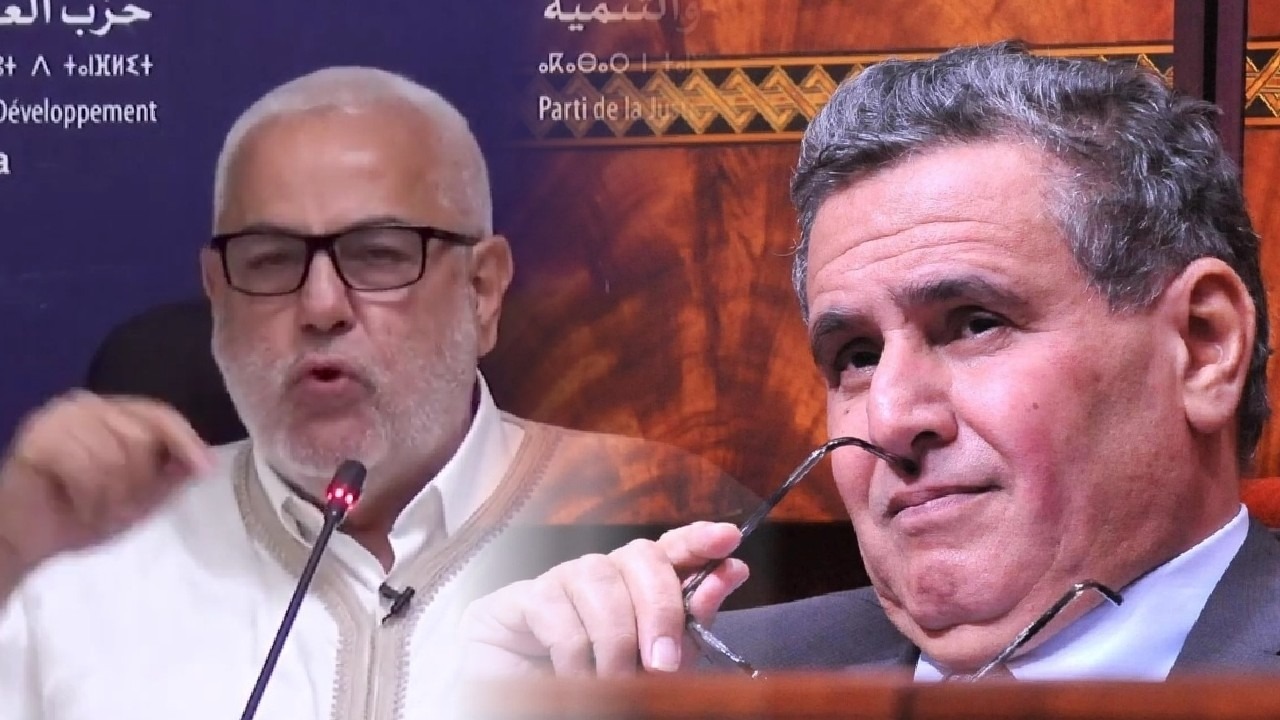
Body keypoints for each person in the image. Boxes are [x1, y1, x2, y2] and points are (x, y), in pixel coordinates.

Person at [460, 40, 1280, 683]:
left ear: (1203, 347)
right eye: (854, 356)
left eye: (974, 324)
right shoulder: (667, 685)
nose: (888, 419)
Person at [0, 66, 754, 719]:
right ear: (217, 296)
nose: (321, 305)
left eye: (380, 254)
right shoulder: (81, 563)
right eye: (269, 260)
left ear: (483, 291)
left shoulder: (663, 513)